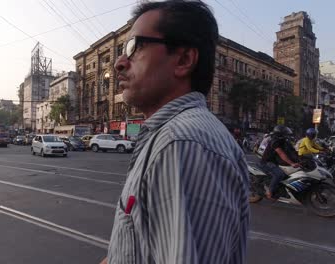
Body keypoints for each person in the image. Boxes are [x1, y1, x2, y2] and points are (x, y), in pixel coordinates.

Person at [100, 1, 249, 263]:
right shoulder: (166, 136)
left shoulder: (181, 143)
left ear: (183, 60)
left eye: (135, 47)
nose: (119, 63)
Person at [259, 125, 300, 199]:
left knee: (288, 174)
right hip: (267, 162)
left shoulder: (284, 141)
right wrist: (292, 163)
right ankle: (270, 191)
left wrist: (300, 157)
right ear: (280, 134)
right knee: (279, 174)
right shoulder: (275, 141)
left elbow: (292, 150)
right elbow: (281, 154)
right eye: (285, 134)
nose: (287, 136)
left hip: (276, 162)